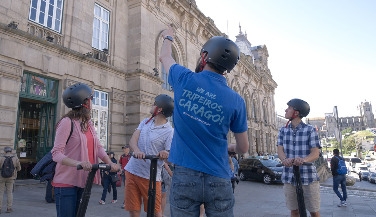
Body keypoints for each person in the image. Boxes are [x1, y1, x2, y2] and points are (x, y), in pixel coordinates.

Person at [159, 25, 249, 216]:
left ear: (204, 57)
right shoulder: (237, 101)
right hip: (219, 176)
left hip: (184, 175)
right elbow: (243, 147)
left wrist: (168, 37)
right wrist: (231, 148)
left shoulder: (184, 78)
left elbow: (165, 57)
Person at [51, 82, 119, 217]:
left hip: (83, 181)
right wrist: (78, 163)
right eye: (90, 99)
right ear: (84, 102)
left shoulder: (87, 123)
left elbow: (98, 147)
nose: (92, 103)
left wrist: (109, 162)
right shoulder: (66, 122)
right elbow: (56, 153)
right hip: (66, 183)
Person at [124, 94, 174, 217]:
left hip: (150, 176)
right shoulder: (145, 122)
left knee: (156, 212)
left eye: (154, 104)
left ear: (160, 109)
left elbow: (170, 154)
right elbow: (133, 140)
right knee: (133, 210)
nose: (152, 106)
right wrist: (136, 150)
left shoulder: (169, 131)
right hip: (132, 170)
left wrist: (165, 153)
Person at [277, 98, 321, 217]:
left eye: (289, 108)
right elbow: (280, 150)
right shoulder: (282, 130)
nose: (286, 110)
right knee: (294, 211)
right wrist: (284, 159)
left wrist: (304, 160)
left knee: (314, 211)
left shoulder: (310, 130)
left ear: (296, 112)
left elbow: (315, 153)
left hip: (308, 177)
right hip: (289, 176)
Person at [0, 146, 21, 213]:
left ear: (4, 151)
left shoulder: (1, 158)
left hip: (1, 177)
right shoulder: (15, 158)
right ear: (11, 151)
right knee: (9, 193)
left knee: (1, 193)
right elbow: (19, 168)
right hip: (11, 177)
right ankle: (9, 208)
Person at [119, 144, 131, 208]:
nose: (124, 150)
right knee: (126, 188)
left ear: (128, 149)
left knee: (129, 188)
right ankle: (126, 202)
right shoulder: (122, 156)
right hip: (124, 174)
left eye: (125, 148)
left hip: (131, 174)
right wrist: (121, 169)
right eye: (123, 149)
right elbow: (120, 163)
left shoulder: (131, 156)